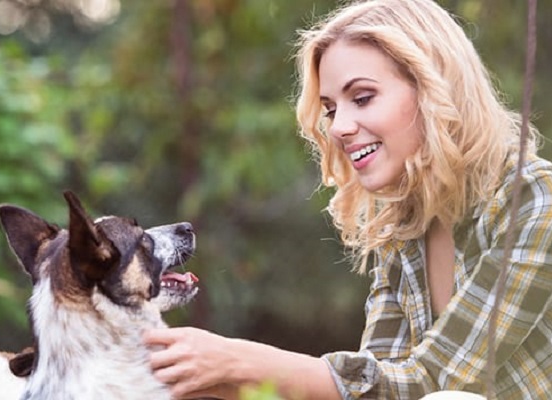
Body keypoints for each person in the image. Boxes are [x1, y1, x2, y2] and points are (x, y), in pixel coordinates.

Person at [143, 0, 552, 399]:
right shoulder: (403, 230)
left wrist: (241, 362)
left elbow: (432, 379)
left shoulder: (536, 200)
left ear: (433, 88)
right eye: (331, 108)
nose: (338, 127)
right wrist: (223, 384)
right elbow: (377, 387)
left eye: (362, 98)